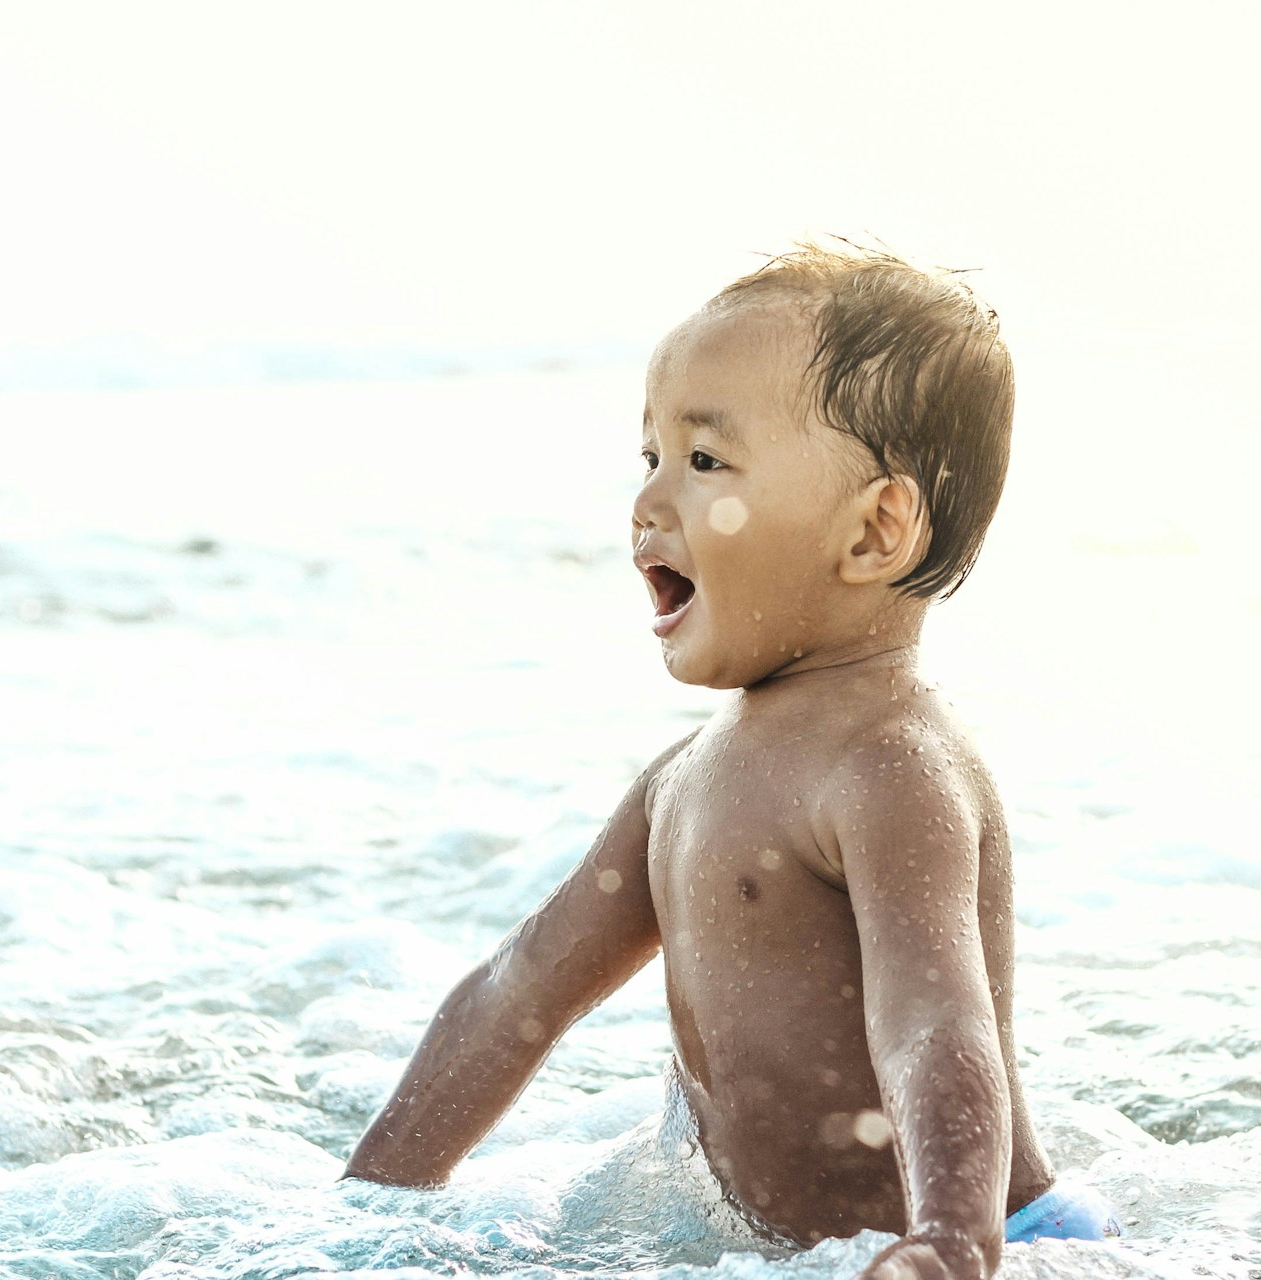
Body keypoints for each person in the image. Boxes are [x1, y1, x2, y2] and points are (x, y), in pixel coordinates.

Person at [345, 243, 1117, 1278]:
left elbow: (935, 1023)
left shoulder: (891, 766)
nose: (650, 501)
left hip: (997, 1247)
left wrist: (951, 1240)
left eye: (705, 462)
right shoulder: (679, 782)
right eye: (650, 457)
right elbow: (517, 989)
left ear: (875, 529)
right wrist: (369, 1206)